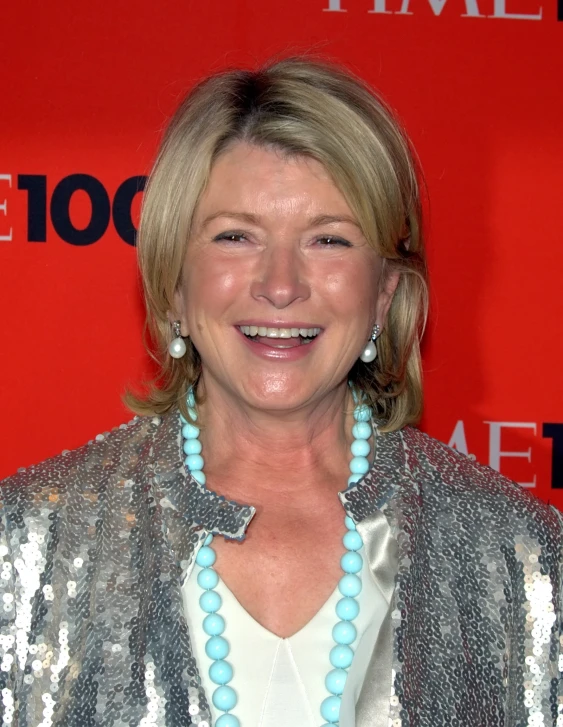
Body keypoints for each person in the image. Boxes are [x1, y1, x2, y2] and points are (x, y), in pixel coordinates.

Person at [0, 54, 561, 727]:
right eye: (236, 236)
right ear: (175, 281)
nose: (281, 284)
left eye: (328, 239)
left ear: (383, 291)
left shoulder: (520, 559)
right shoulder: (25, 543)